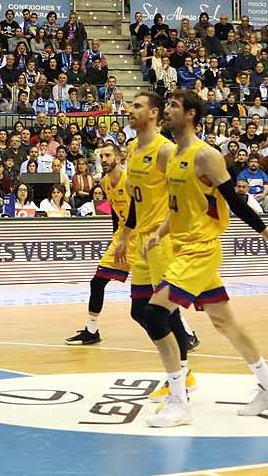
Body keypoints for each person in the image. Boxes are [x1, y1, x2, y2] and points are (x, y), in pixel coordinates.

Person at [140, 90, 268, 426]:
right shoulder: (173, 155)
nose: (167, 110)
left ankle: (178, 402)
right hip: (182, 246)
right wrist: (161, 231)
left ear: (190, 115)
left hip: (201, 248)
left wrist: (267, 234)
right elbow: (179, 206)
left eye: (173, 106)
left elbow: (236, 201)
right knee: (224, 322)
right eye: (167, 105)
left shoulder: (207, 156)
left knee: (155, 314)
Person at [113, 92, 199, 405]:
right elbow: (136, 200)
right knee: (139, 310)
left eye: (137, 106)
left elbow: (186, 197)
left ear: (154, 114)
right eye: (130, 105)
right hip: (141, 241)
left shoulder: (166, 150)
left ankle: (183, 375)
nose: (129, 110)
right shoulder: (133, 147)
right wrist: (124, 235)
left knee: (163, 311)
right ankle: (182, 361)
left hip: (164, 240)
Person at [65, 143, 136, 346]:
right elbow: (114, 211)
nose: (103, 159)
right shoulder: (104, 182)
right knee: (97, 282)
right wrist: (116, 236)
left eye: (107, 155)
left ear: (118, 157)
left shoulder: (130, 180)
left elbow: (140, 211)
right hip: (121, 238)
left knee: (156, 289)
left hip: (141, 238)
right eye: (101, 156)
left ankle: (185, 333)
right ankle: (91, 330)